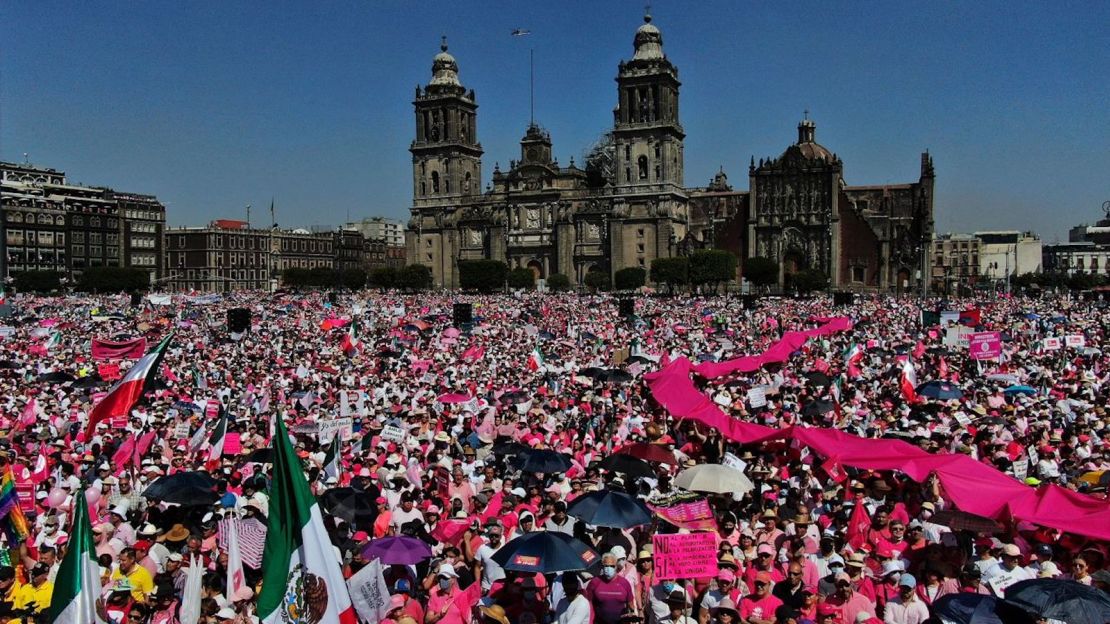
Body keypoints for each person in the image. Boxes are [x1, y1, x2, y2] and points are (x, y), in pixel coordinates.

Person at [587, 552, 636, 624]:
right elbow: (588, 604)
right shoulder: (595, 582)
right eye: (606, 566)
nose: (608, 568)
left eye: (611, 566)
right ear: (602, 566)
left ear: (616, 566)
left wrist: (632, 615)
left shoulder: (624, 583)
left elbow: (630, 605)